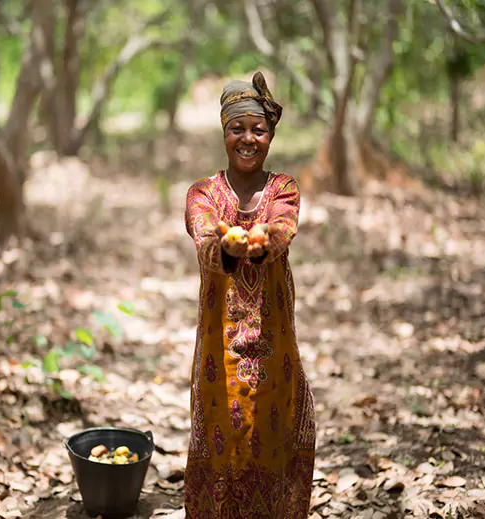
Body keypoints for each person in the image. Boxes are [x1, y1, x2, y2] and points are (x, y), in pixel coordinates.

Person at [183, 71, 315, 519]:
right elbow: (204, 238)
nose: (248, 138)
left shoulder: (284, 189)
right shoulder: (202, 193)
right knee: (221, 454)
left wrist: (260, 243)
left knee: (275, 448)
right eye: (237, 128)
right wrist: (226, 247)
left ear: (271, 135)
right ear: (223, 132)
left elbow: (281, 229)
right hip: (220, 354)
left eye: (258, 129)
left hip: (274, 350)